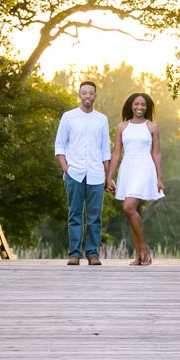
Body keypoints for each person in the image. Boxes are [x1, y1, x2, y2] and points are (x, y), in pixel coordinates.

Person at [54, 81, 111, 266]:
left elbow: (105, 151)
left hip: (96, 174)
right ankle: (74, 254)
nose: (87, 96)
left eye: (91, 93)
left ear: (95, 96)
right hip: (75, 173)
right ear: (79, 95)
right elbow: (60, 145)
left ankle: (93, 254)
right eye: (84, 93)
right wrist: (66, 169)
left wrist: (108, 176)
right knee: (75, 214)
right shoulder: (69, 117)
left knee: (95, 217)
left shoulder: (101, 119)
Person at [106, 93, 164, 266]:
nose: (140, 107)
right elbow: (116, 152)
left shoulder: (152, 126)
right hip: (128, 168)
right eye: (136, 104)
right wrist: (109, 177)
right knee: (134, 213)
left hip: (145, 168)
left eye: (143, 105)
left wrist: (160, 178)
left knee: (128, 207)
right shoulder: (122, 127)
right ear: (131, 106)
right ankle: (139, 256)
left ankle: (144, 250)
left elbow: (156, 153)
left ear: (147, 107)